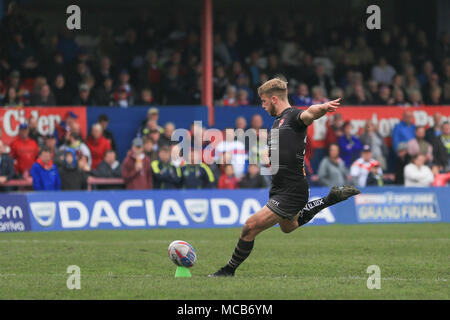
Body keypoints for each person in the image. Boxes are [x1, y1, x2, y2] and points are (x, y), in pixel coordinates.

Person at [209, 78, 359, 277]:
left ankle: (228, 271)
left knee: (250, 227)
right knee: (288, 227)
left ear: (273, 99)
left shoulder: (293, 116)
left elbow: (309, 113)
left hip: (291, 190)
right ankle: (328, 200)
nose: (262, 106)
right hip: (280, 187)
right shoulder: (277, 124)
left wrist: (322, 108)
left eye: (263, 101)